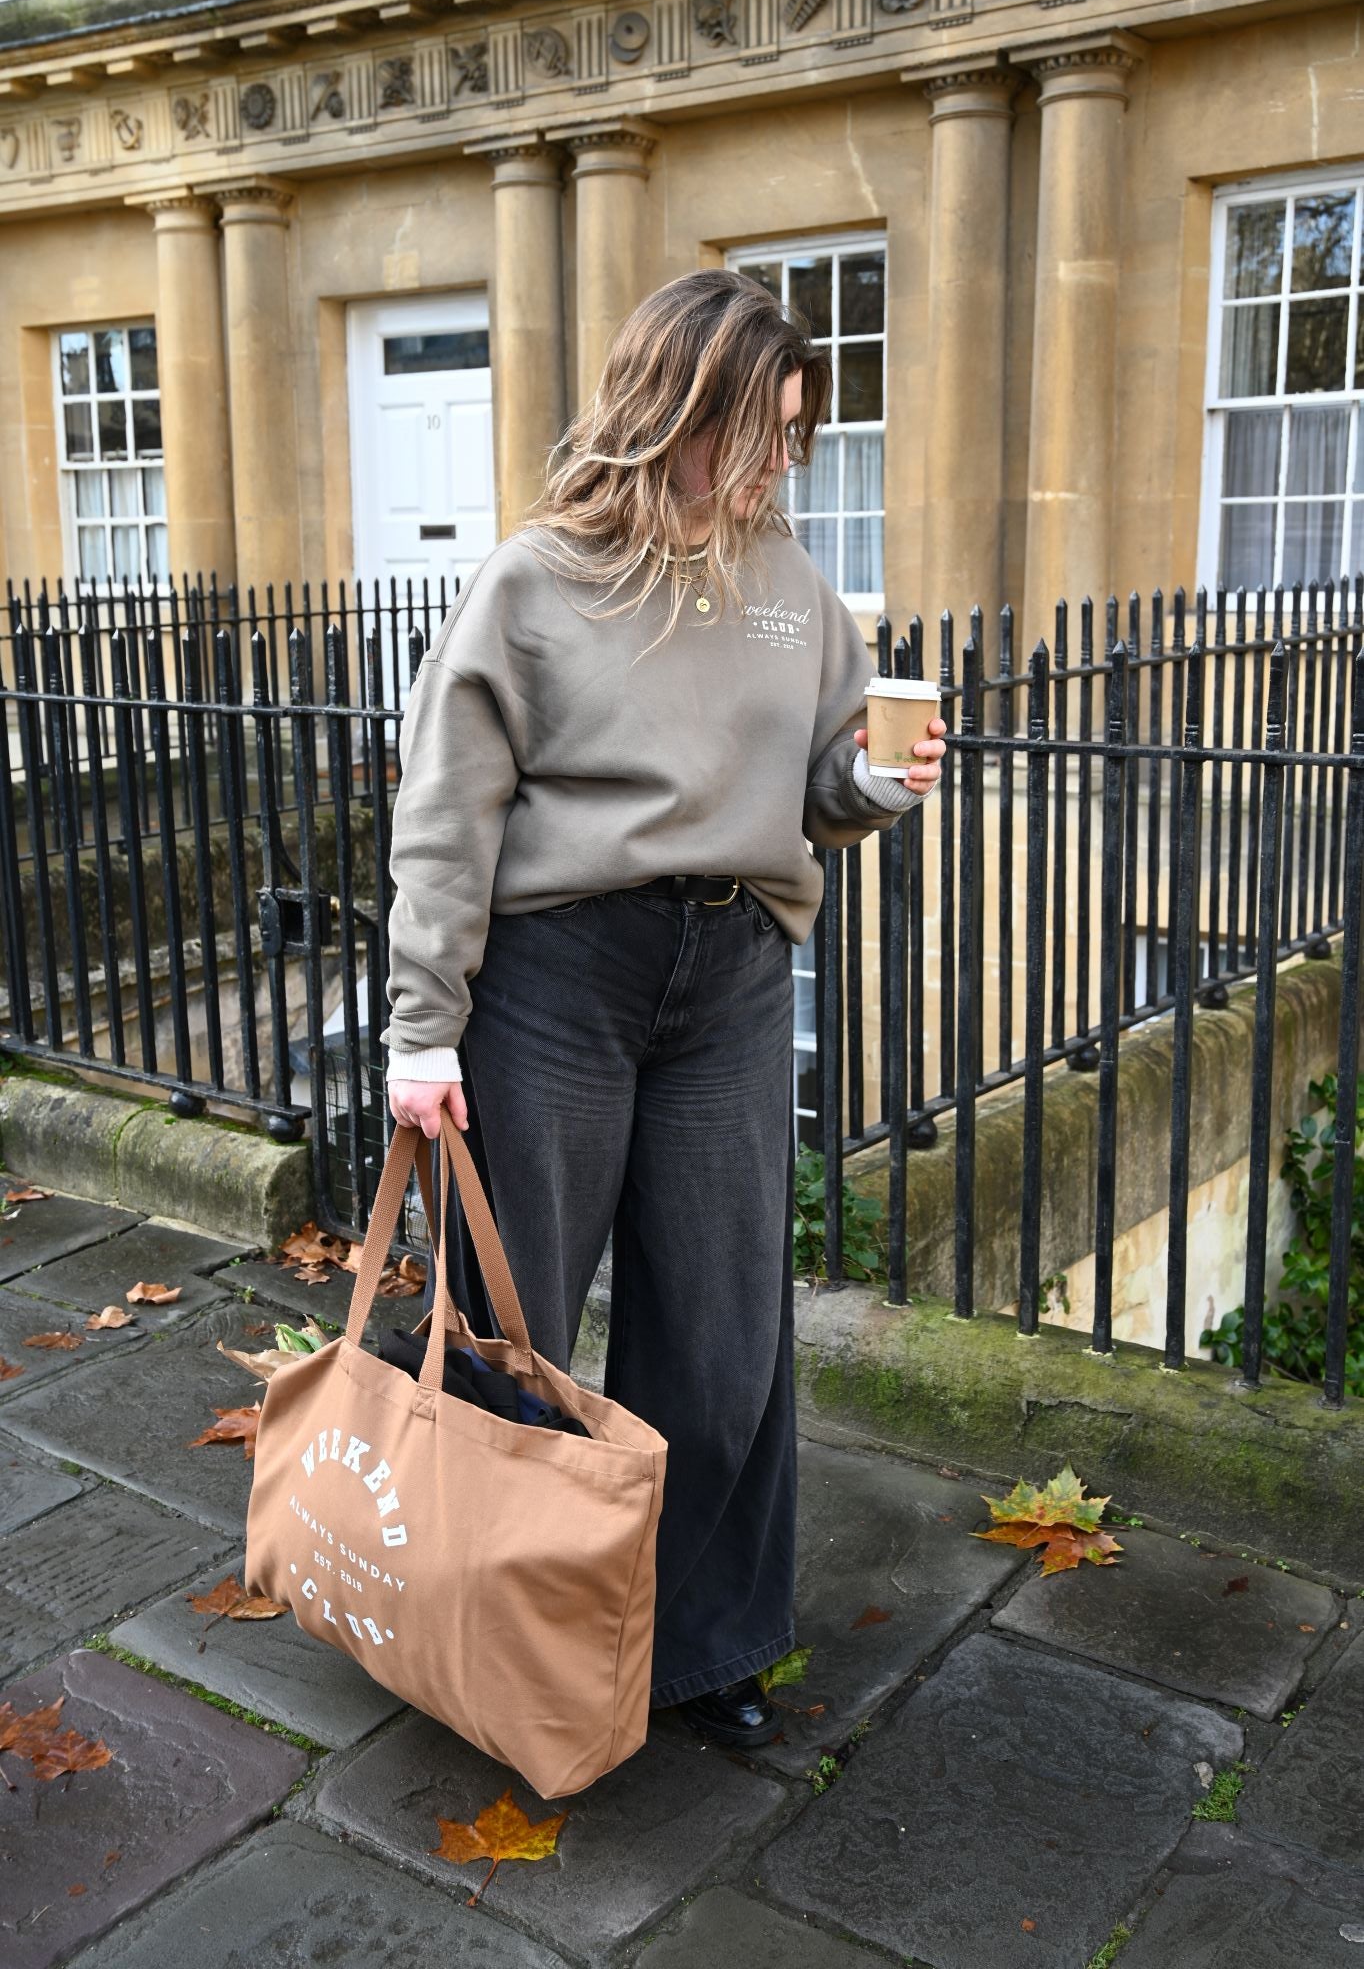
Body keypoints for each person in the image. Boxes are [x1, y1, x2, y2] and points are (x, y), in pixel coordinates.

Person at [382, 268, 947, 1752]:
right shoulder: (537, 577)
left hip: (734, 982)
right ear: (677, 407)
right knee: (519, 1327)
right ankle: (485, 1634)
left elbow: (812, 789)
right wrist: (421, 1027)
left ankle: (701, 1649)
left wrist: (875, 789)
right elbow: (450, 808)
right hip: (561, 977)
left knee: (721, 1330)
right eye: (757, 431)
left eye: (796, 437)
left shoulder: (794, 588)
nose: (777, 464)